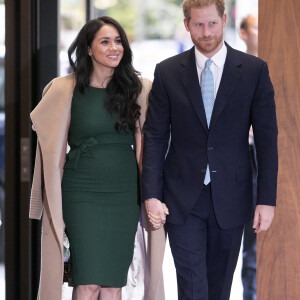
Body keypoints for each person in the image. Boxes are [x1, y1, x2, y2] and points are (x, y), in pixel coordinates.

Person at [142, 0, 278, 299]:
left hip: (232, 196)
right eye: (199, 24)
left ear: (224, 20)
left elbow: (268, 140)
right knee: (192, 287)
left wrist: (267, 200)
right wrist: (151, 195)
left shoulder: (254, 70)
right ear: (187, 24)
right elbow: (154, 136)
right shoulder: (167, 72)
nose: (206, 32)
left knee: (219, 289)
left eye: (212, 23)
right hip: (181, 199)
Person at [29, 16, 152, 300]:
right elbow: (55, 156)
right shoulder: (66, 89)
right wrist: (53, 208)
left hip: (124, 194)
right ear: (88, 48)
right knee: (87, 283)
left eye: (119, 41)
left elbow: (146, 148)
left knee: (112, 283)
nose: (114, 47)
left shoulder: (138, 88)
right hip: (81, 193)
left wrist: (151, 197)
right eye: (105, 41)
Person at [240, 14, 259, 300]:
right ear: (243, 33)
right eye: (257, 27)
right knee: (249, 243)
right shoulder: (237, 69)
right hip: (244, 155)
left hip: (267, 156)